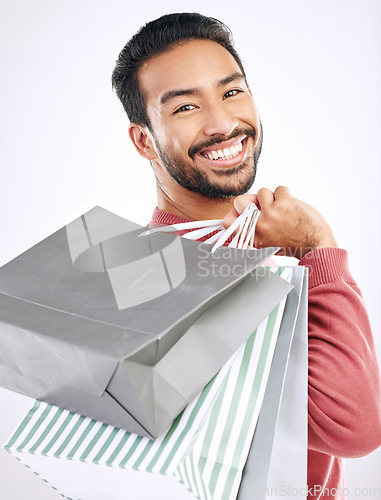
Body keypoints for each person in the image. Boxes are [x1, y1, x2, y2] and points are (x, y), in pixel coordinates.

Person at [112, 12, 381, 499]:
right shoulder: (158, 282)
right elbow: (353, 427)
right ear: (143, 140)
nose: (223, 124)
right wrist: (319, 248)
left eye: (232, 92)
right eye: (185, 107)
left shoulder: (264, 235)